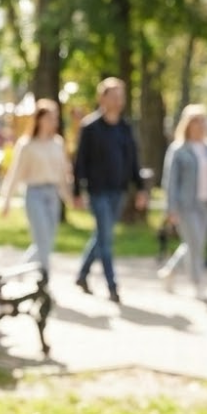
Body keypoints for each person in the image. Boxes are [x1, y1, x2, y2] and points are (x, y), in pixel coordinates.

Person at [72, 77, 147, 303]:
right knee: (107, 239)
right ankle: (112, 286)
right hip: (97, 191)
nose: (117, 100)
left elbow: (134, 161)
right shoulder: (90, 127)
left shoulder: (125, 128)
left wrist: (141, 189)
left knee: (102, 236)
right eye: (113, 95)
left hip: (119, 191)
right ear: (102, 98)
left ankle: (82, 274)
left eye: (120, 96)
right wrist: (76, 191)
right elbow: (80, 162)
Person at [157, 105, 207, 301]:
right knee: (195, 244)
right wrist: (171, 208)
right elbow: (170, 181)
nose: (200, 125)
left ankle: (170, 270)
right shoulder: (178, 149)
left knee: (194, 243)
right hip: (186, 206)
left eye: (203, 121)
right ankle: (198, 284)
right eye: (196, 121)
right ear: (187, 124)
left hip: (205, 205)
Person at [0, 98, 71, 277]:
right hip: (35, 194)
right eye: (50, 117)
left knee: (45, 242)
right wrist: (6, 200)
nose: (54, 122)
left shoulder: (58, 143)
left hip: (52, 195)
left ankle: (19, 273)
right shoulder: (27, 145)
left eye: (55, 117)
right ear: (39, 119)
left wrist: (69, 198)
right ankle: (45, 283)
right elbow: (14, 175)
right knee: (42, 241)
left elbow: (62, 175)